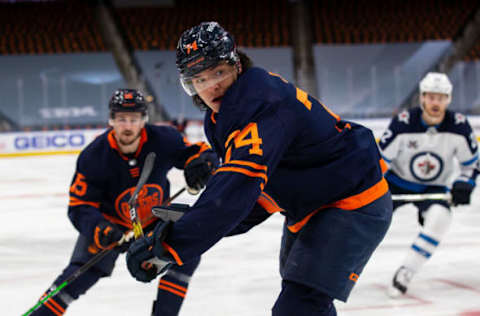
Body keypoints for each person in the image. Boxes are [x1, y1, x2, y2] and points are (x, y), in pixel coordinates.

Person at [125, 21, 393, 316]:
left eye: (218, 72)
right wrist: (189, 221)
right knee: (306, 303)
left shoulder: (261, 104)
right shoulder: (221, 119)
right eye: (199, 79)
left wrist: (173, 244)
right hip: (312, 204)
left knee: (299, 306)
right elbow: (249, 197)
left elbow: (236, 190)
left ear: (236, 65)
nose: (211, 85)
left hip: (352, 201)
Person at [27, 88, 218, 316]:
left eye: (133, 119)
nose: (127, 126)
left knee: (187, 253)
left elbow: (197, 153)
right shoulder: (94, 156)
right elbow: (79, 206)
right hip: (111, 227)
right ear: (111, 120)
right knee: (76, 278)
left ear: (143, 120)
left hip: (152, 221)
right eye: (121, 119)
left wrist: (202, 164)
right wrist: (100, 228)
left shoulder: (163, 139)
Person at [378, 72, 479, 297]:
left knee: (440, 218)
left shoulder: (459, 126)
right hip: (396, 183)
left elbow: (471, 165)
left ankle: (407, 271)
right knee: (366, 218)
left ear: (448, 99)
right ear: (422, 98)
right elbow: (380, 161)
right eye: (431, 97)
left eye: (441, 97)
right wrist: (370, 189)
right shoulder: (403, 122)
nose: (436, 102)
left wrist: (465, 183)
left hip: (435, 187)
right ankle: (344, 267)